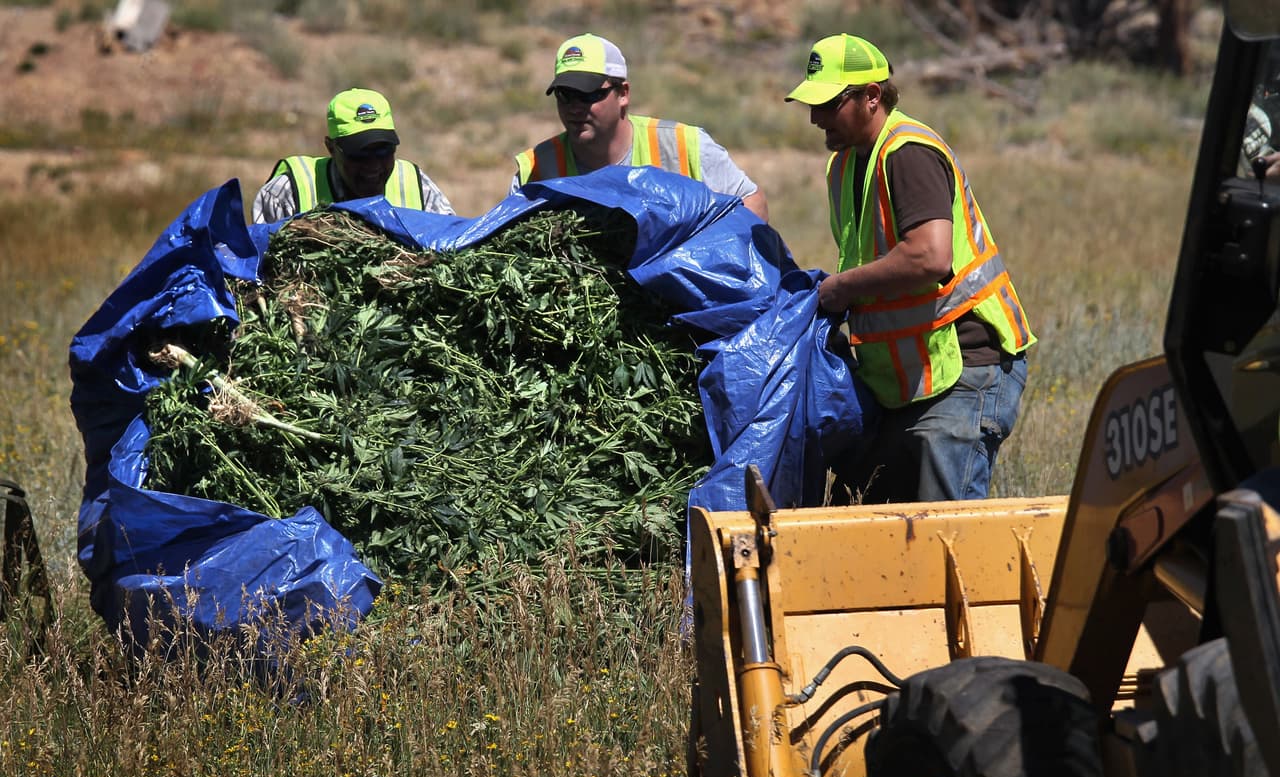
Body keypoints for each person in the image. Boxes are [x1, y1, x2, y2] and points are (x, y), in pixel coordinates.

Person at [785, 34, 1035, 504]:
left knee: (944, 535)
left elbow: (928, 257)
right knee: (862, 519)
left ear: (871, 97)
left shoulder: (907, 151)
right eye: (811, 105)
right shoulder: (845, 167)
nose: (815, 117)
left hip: (964, 369)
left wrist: (838, 289)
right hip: (911, 381)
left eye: (828, 104)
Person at [511, 33, 769, 222]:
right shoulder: (535, 169)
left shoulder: (682, 145)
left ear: (623, 93)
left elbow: (751, 201)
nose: (575, 108)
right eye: (565, 95)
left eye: (588, 95)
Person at [253, 88, 454, 224]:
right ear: (330, 148)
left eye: (384, 150)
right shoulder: (288, 192)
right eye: (360, 153)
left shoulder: (416, 187)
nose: (373, 165)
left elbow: (453, 244)